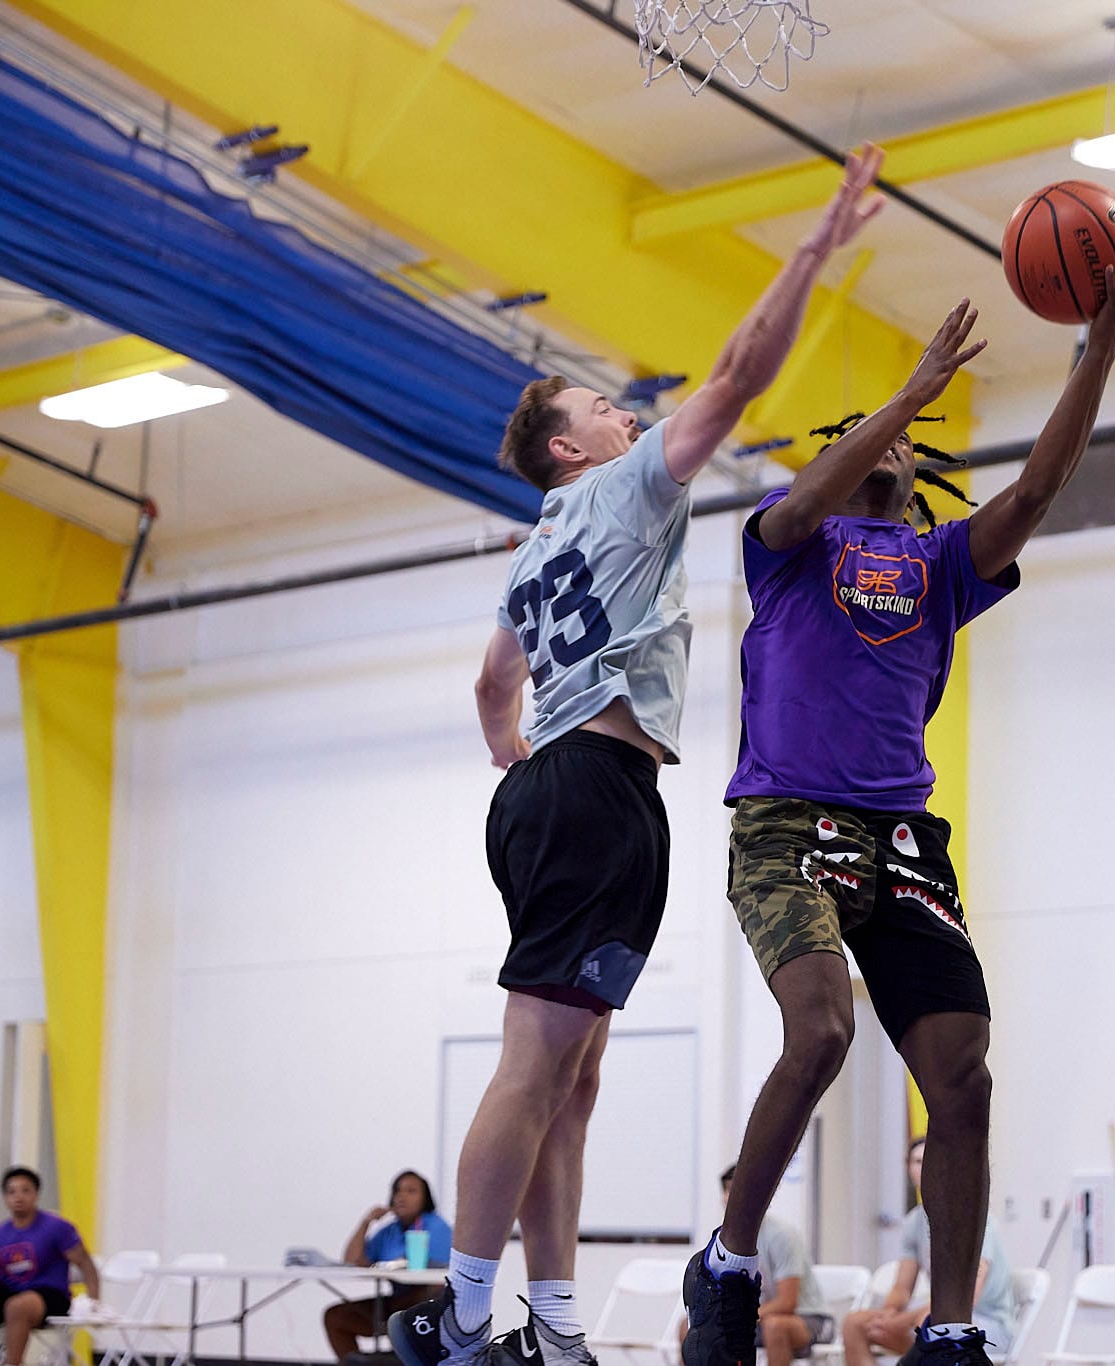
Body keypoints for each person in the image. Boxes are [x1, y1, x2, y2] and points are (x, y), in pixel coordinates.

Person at [389, 145, 890, 1366]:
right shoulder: (621, 492)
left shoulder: (534, 545)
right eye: (601, 410)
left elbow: (491, 685)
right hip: (591, 790)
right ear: (570, 450)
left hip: (574, 787)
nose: (625, 414)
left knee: (576, 1071)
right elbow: (737, 374)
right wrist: (813, 250)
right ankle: (462, 1313)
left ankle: (554, 1321)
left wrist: (520, 762)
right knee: (535, 1063)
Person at [684, 247, 1115, 1366]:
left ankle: (948, 1331)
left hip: (901, 842)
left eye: (900, 438)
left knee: (963, 1076)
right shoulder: (788, 545)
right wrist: (908, 392)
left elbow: (1034, 491)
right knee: (821, 1032)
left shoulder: (941, 564)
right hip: (787, 825)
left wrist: (1099, 348)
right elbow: (808, 494)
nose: (886, 444)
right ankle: (730, 1262)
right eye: (865, 436)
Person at [839, 1140, 1012, 1366]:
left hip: (982, 1325)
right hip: (936, 1318)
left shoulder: (973, 1218)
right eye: (918, 1162)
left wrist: (903, 1321)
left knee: (930, 1324)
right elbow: (902, 1288)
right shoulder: (914, 1221)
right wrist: (889, 1313)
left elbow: (968, 1297)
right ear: (908, 1168)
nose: (924, 1169)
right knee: (855, 1324)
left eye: (930, 1162)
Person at [0, 1167, 99, 1366]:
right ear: (5, 1198)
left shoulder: (57, 1227)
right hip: (9, 1294)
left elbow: (85, 1264)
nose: (18, 1197)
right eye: (12, 1192)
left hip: (49, 1295)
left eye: (25, 1190)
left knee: (17, 1306)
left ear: (36, 1194)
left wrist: (94, 1302)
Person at [681, 1167, 832, 1366]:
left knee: (774, 1326)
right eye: (728, 1190)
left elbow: (787, 1302)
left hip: (807, 1318)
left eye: (739, 1191)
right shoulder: (723, 1239)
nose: (734, 1197)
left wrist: (739, 1315)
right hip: (758, 1318)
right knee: (691, 1326)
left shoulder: (781, 1235)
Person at [325, 1172, 451, 1360]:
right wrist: (366, 1222)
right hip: (394, 1306)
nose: (401, 1196)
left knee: (405, 1321)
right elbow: (353, 1261)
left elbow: (439, 1280)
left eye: (411, 1191)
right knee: (336, 1317)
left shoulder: (436, 1226)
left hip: (427, 1307)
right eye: (397, 1191)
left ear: (425, 1198)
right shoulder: (390, 1230)